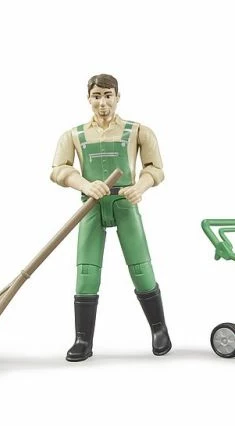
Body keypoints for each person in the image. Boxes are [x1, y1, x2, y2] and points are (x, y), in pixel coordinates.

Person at [50, 74, 171, 361]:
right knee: (86, 271)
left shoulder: (139, 131)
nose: (102, 102)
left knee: (141, 268)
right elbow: (59, 169)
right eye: (97, 96)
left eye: (108, 95)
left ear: (117, 97)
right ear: (88, 98)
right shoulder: (73, 135)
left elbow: (155, 168)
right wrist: (84, 185)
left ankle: (159, 329)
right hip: (91, 205)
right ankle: (82, 339)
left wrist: (140, 187)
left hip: (125, 203)